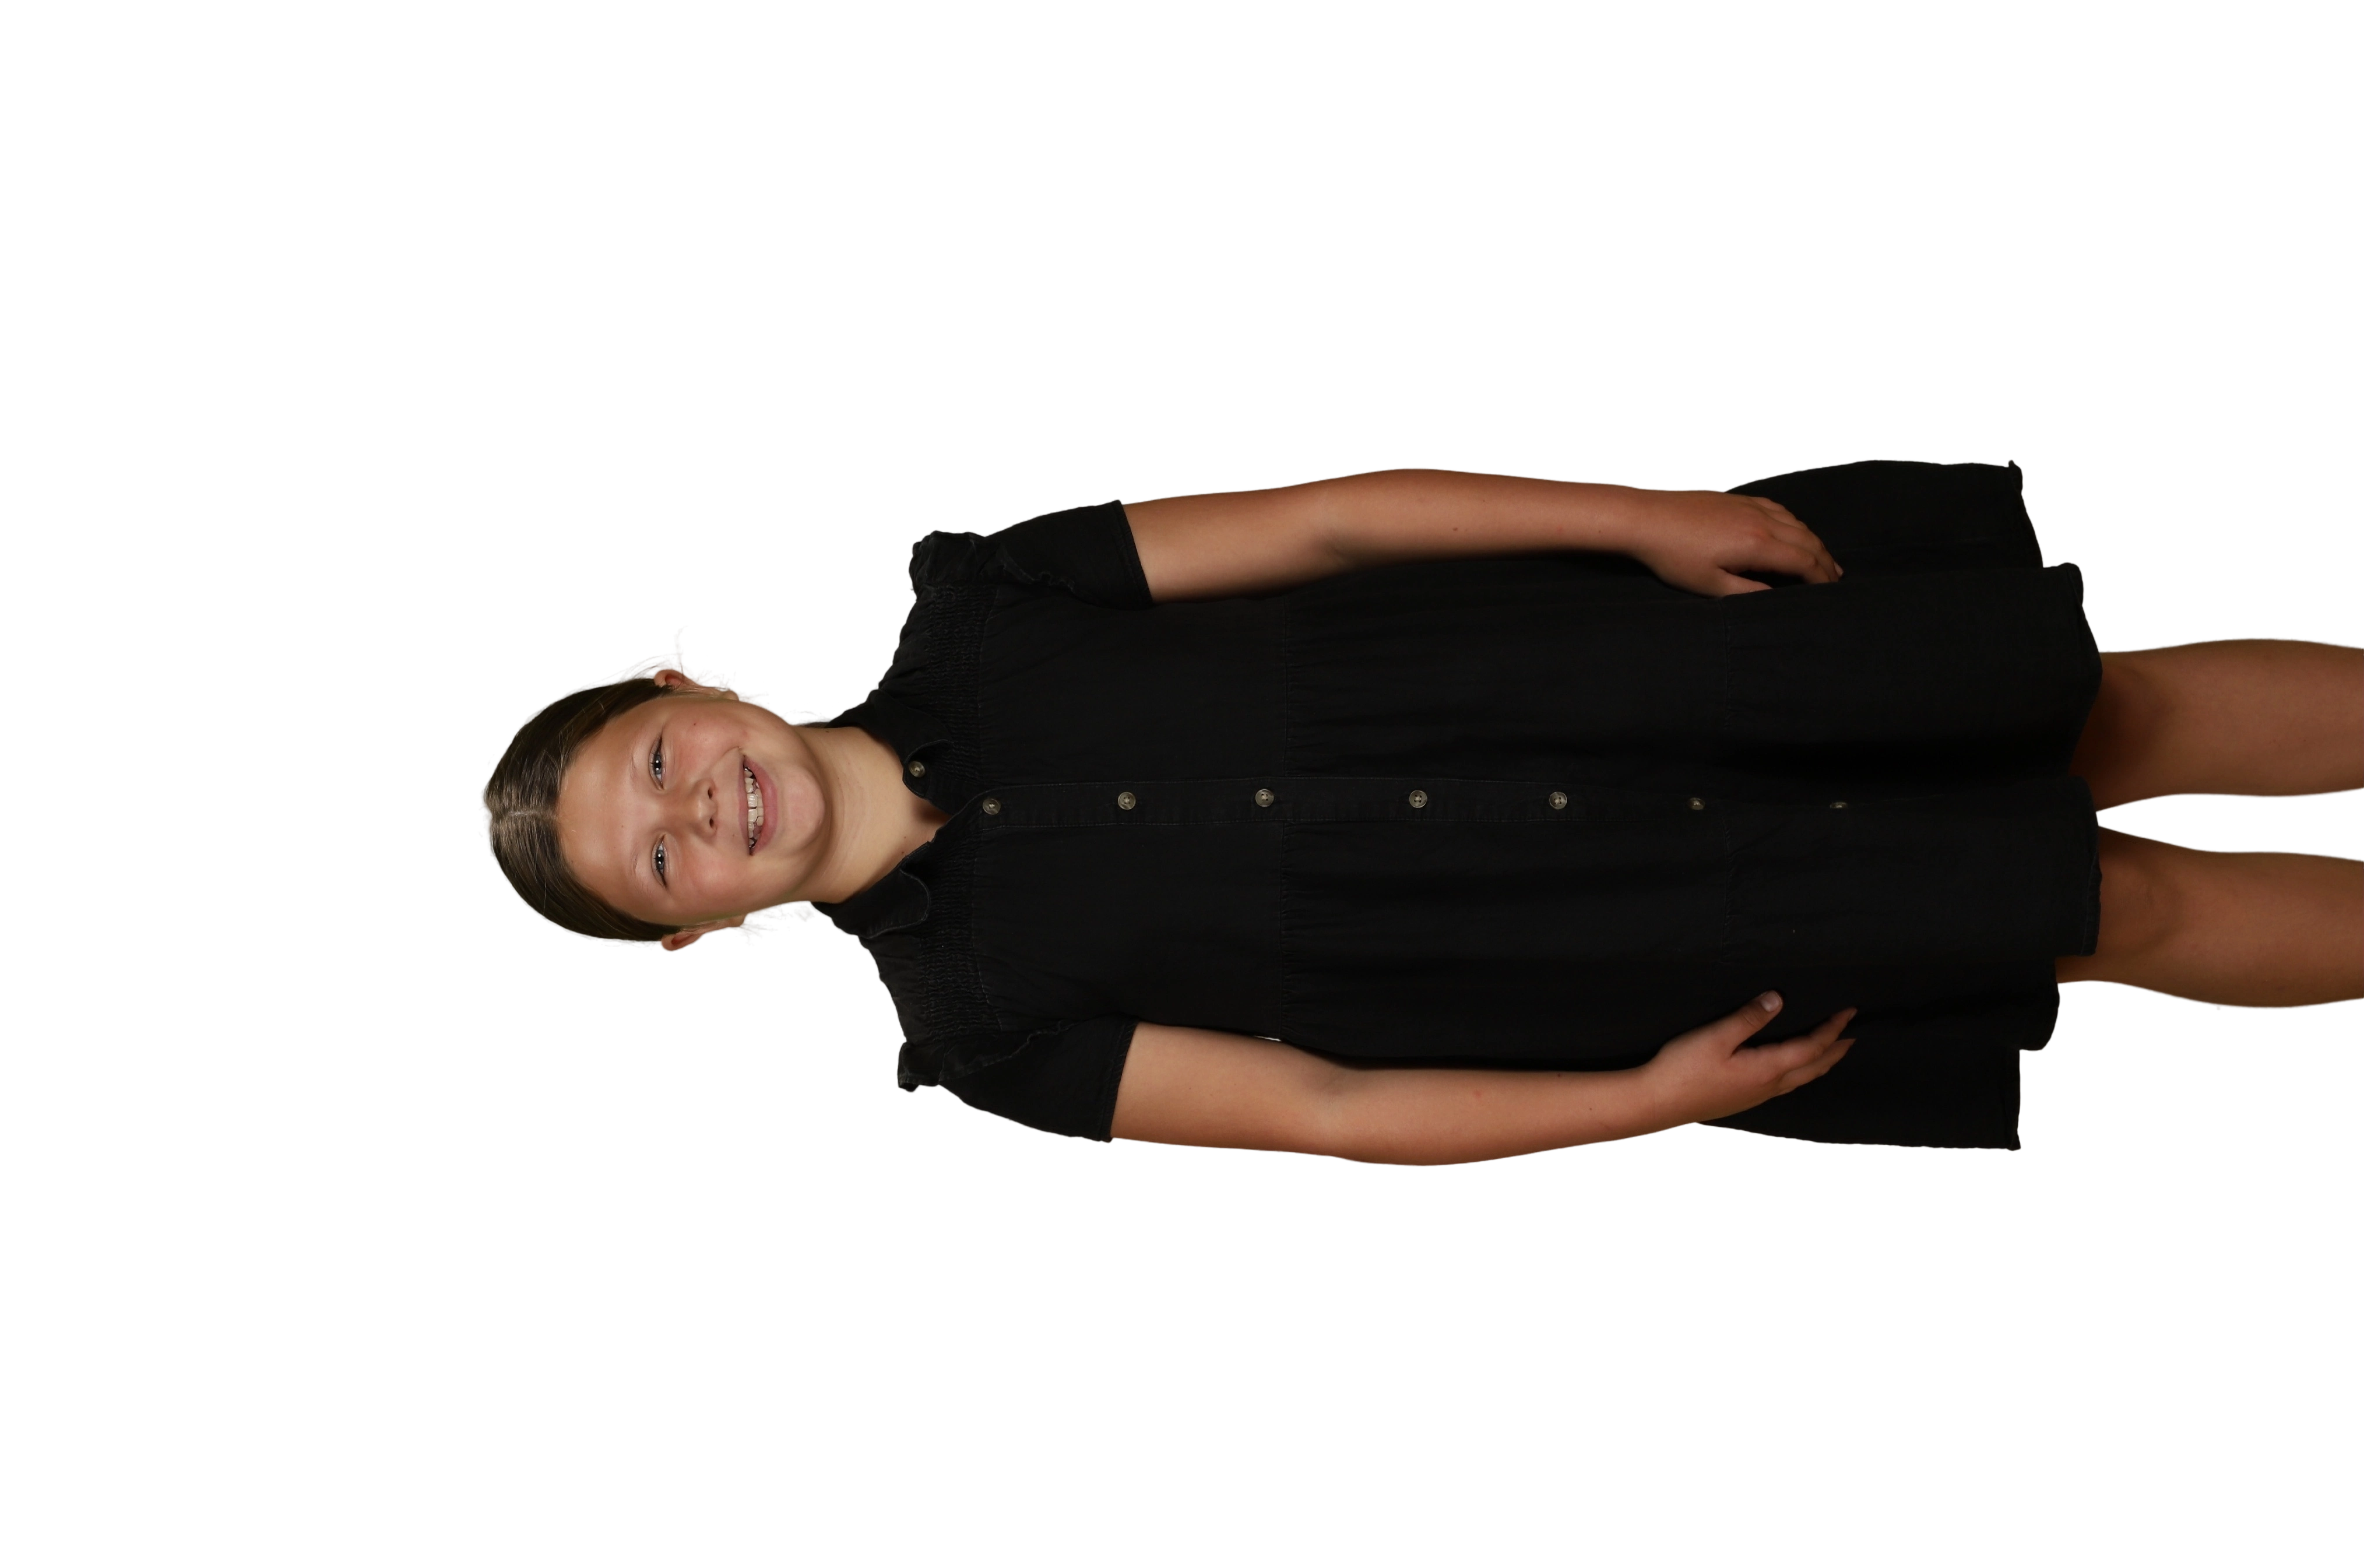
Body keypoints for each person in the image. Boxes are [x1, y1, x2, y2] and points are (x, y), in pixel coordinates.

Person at [477, 460, 2364, 1165]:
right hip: (1623, 924)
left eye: (653, 762)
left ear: (691, 687)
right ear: (703, 927)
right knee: (2122, 906)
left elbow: (1327, 528)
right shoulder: (987, 1038)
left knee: (2120, 705)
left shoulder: (991, 598)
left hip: (1614, 662)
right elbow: (1327, 1106)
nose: (697, 807)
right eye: (661, 862)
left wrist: (1639, 518)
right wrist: (1646, 1102)